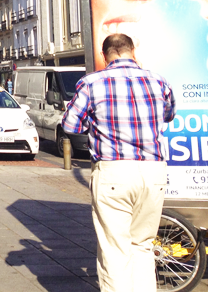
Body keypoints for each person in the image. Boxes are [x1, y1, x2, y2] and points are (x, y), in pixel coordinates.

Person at [62, 33, 175, 292]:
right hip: (153, 171)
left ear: (105, 55)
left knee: (115, 249)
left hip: (114, 171)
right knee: (143, 246)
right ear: (132, 51)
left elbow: (70, 124)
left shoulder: (91, 83)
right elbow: (168, 114)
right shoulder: (159, 81)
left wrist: (98, 124)